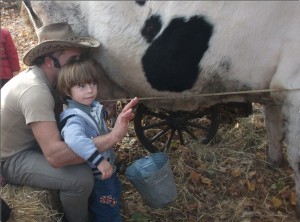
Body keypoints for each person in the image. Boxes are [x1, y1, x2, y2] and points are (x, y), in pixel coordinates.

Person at [0, 22, 138, 222]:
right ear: (49, 61)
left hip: (29, 144)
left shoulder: (48, 81)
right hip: (10, 158)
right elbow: (56, 156)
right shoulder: (35, 91)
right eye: (72, 60)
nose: (77, 66)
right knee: (80, 179)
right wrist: (113, 137)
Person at [57, 58, 130, 221]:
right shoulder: (73, 118)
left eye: (92, 84)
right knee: (106, 209)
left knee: (114, 193)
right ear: (68, 91)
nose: (90, 90)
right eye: (82, 86)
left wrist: (109, 114)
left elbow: (97, 117)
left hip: (107, 168)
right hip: (98, 174)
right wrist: (98, 160)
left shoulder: (90, 106)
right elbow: (75, 140)